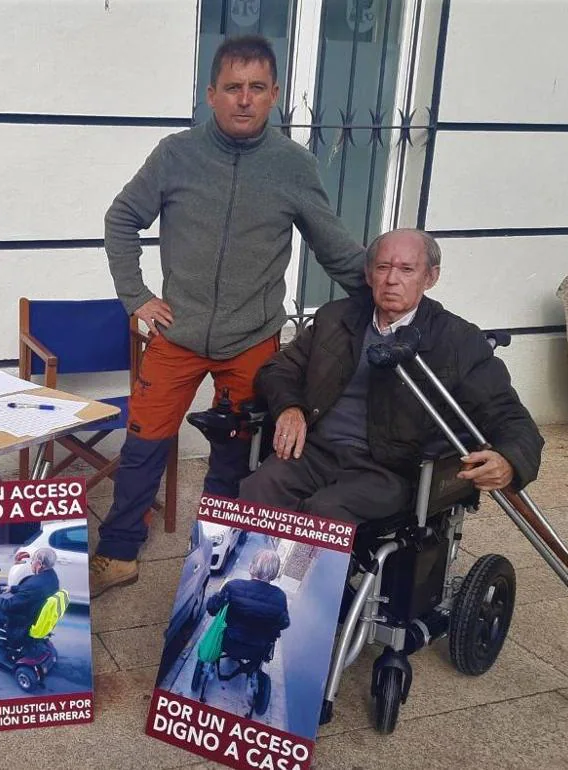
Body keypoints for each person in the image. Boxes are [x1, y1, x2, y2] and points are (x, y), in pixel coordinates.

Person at [91, 34, 369, 597]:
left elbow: (334, 247)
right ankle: (119, 554)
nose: (244, 99)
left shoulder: (294, 166)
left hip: (253, 339)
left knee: (235, 452)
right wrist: (135, 295)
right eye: (233, 88)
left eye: (257, 88)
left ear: (275, 96)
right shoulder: (175, 154)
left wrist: (388, 292)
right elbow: (121, 219)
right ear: (211, 94)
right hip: (177, 333)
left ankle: (214, 559)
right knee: (144, 442)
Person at [240, 228, 544, 523]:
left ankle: (302, 574)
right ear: (369, 274)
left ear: (431, 277)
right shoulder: (335, 319)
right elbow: (278, 369)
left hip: (390, 469)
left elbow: (509, 416)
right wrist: (290, 407)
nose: (391, 280)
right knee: (256, 492)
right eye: (383, 267)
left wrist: (509, 460)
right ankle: (253, 575)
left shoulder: (458, 340)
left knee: (325, 512)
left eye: (407, 269)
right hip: (317, 452)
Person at [206, 549, 290, 663]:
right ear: (275, 573)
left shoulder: (233, 586)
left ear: (251, 567)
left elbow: (212, 609)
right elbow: (284, 623)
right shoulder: (280, 597)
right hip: (257, 648)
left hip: (229, 641)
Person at [0, 547, 60, 652]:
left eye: (32, 561)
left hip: (26, 621)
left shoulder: (33, 584)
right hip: (37, 612)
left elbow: (9, 605)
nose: (31, 563)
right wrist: (12, 588)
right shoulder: (52, 577)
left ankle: (11, 640)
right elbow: (33, 592)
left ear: (39, 564)